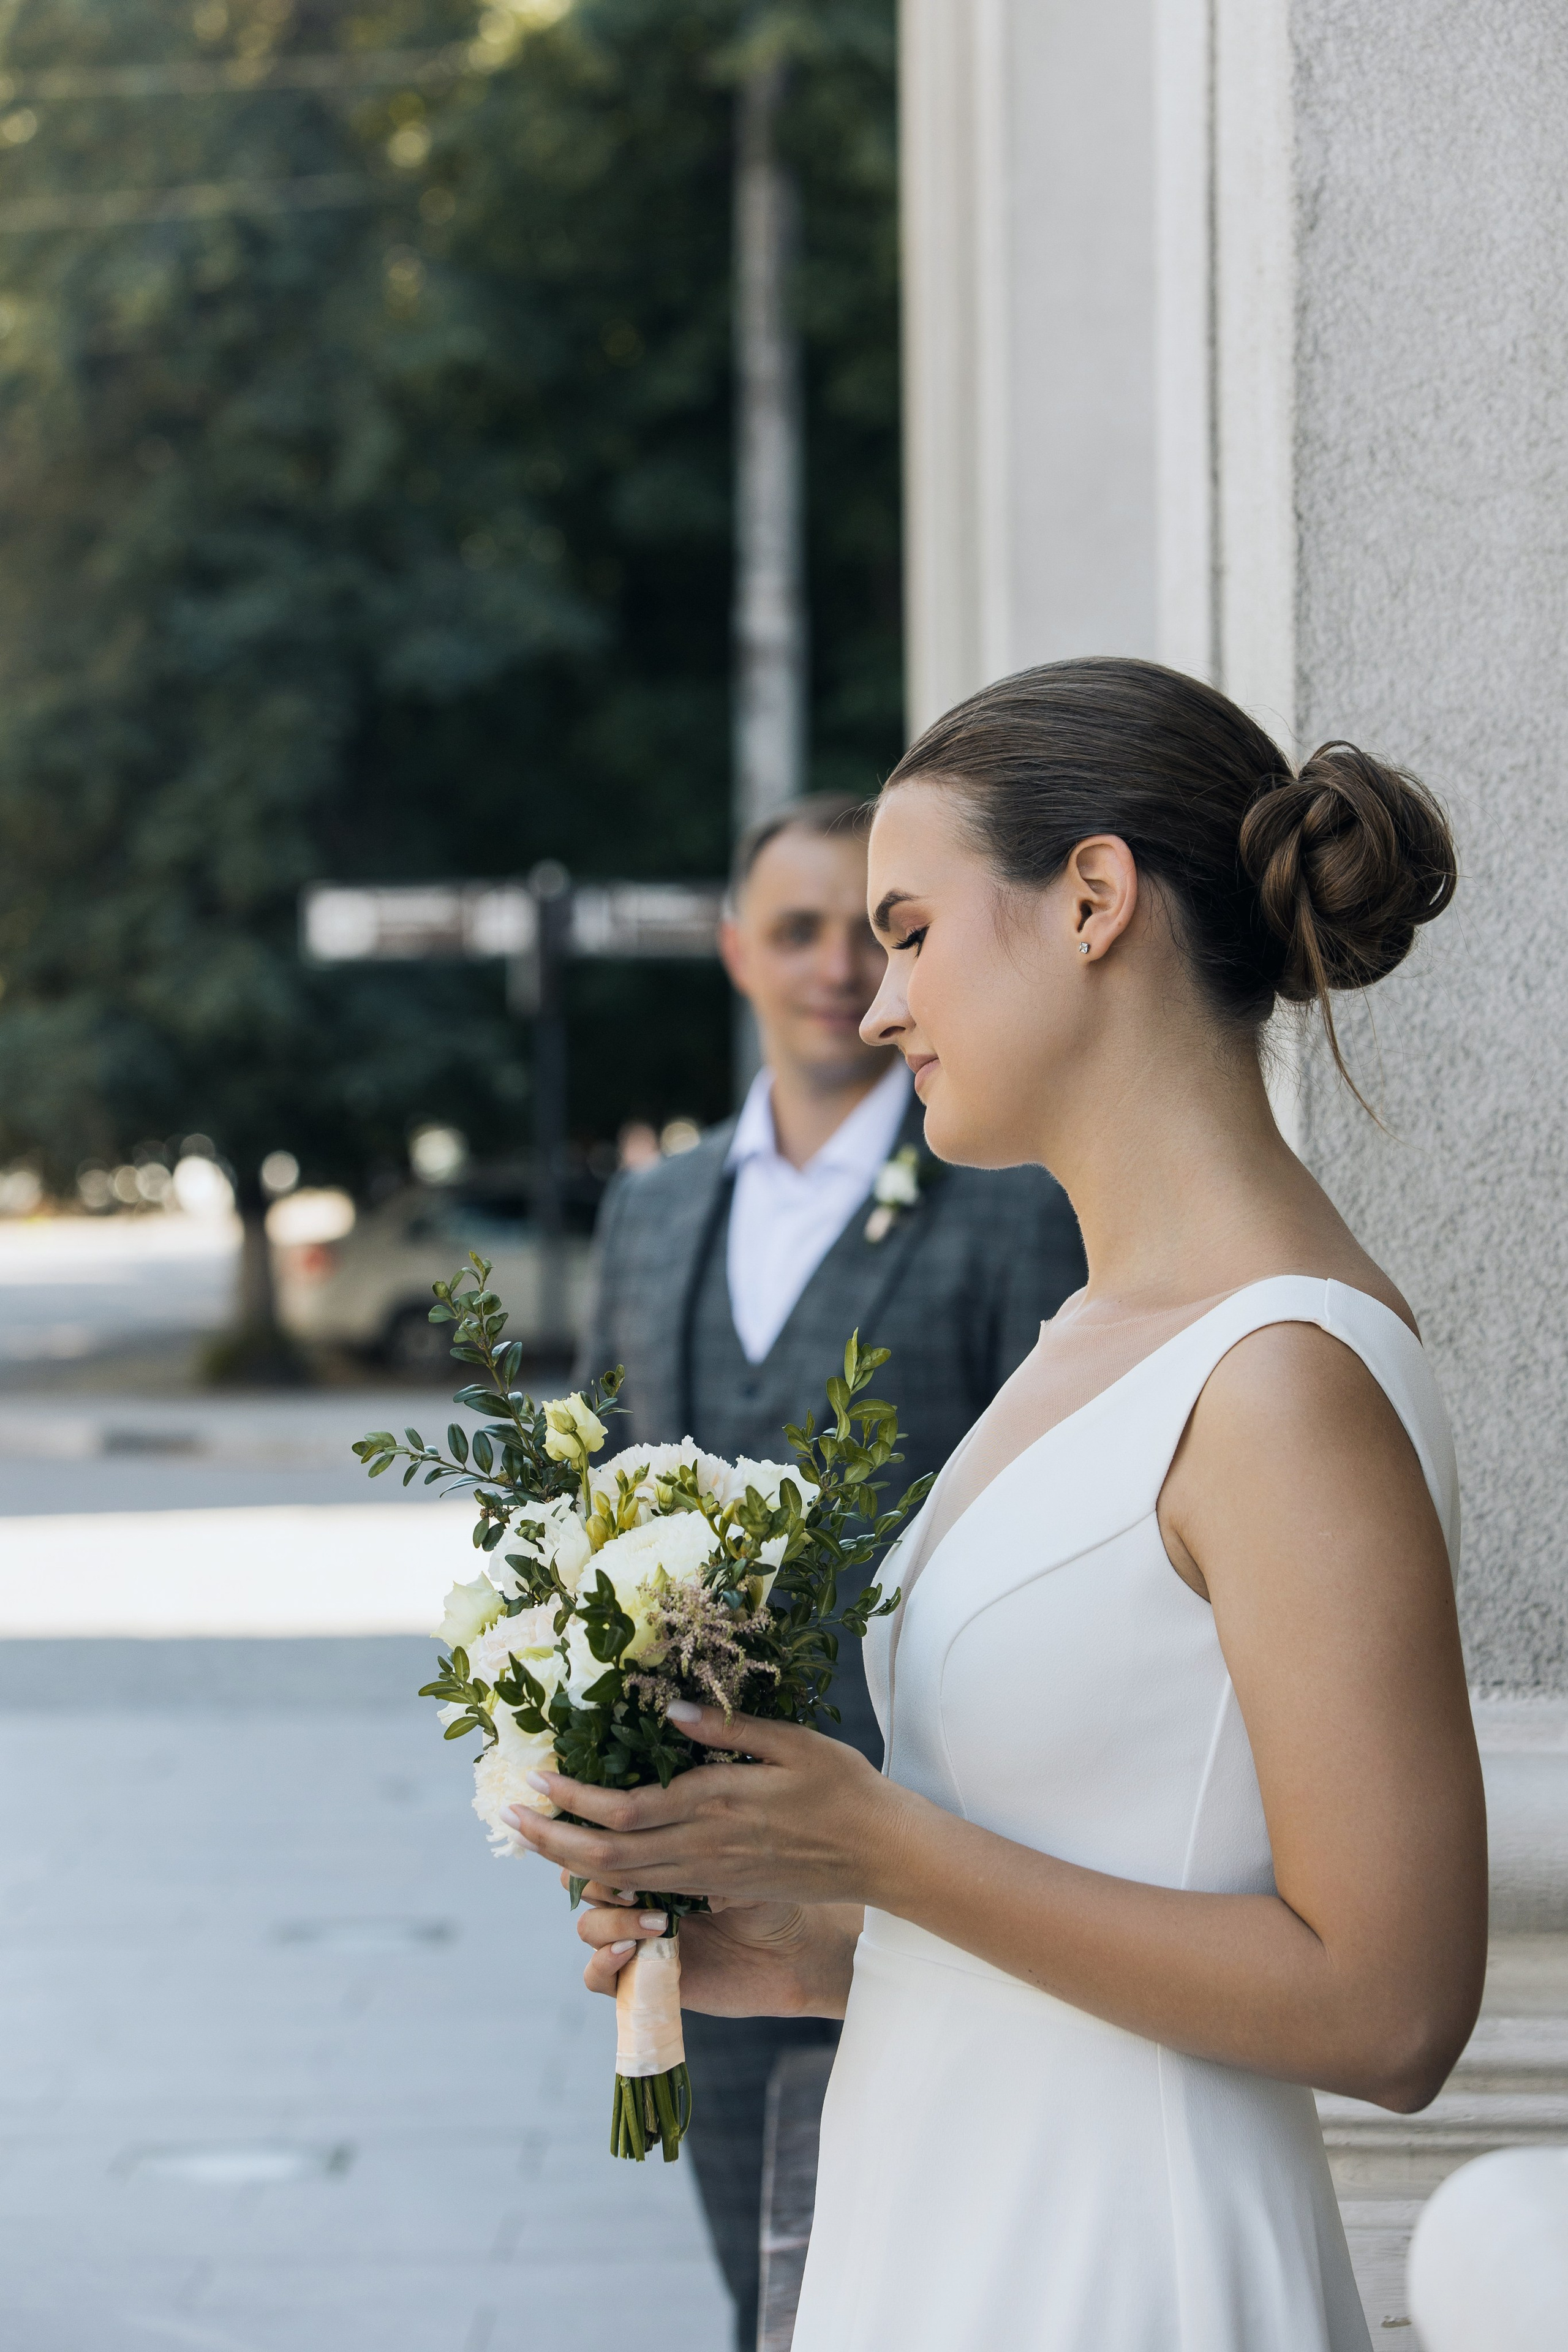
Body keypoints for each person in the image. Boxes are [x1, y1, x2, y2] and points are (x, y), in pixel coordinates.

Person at [522, 658, 1488, 2352]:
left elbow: (1392, 2006)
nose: (879, 1005)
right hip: (946, 2222)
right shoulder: (1090, 1333)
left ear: (1094, 901)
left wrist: (882, 1847)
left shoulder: (1282, 1377)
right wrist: (805, 1937)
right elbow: (1080, 1880)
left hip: (1127, 2259)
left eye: (909, 928)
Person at [573, 788, 1085, 2347]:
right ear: (735, 950)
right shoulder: (652, 1213)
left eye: (860, 933)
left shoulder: (1005, 1204)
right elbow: (589, 1510)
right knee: (765, 2297)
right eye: (789, 931)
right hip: (702, 1868)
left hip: (929, 1868)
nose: (822, 969)